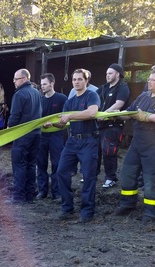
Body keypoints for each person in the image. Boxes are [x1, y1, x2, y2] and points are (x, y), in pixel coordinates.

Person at [114, 66, 155, 222]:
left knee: (151, 180)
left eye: (153, 79)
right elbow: (129, 113)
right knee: (127, 173)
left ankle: (151, 212)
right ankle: (127, 204)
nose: (149, 82)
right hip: (138, 143)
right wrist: (114, 115)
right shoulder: (143, 96)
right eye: (149, 79)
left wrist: (147, 117)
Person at [47, 69, 101, 223]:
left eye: (80, 79)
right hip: (72, 142)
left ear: (86, 81)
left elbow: (91, 113)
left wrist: (70, 115)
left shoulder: (92, 95)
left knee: (88, 177)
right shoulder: (70, 101)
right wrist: (52, 124)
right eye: (74, 80)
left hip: (89, 141)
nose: (76, 82)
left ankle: (87, 212)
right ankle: (67, 208)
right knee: (61, 172)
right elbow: (64, 124)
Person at [6, 68, 42, 204]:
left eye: (16, 79)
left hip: (22, 135)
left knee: (19, 165)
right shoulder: (36, 93)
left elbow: (15, 115)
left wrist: (8, 129)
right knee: (31, 165)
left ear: (25, 79)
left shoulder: (20, 94)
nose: (14, 82)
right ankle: (29, 196)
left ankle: (18, 197)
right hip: (36, 134)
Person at [96, 64, 130, 189]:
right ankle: (93, 175)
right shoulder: (104, 88)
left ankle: (111, 178)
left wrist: (104, 114)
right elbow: (94, 97)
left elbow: (119, 104)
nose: (107, 75)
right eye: (106, 73)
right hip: (100, 125)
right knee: (96, 151)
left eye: (110, 73)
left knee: (109, 151)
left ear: (117, 74)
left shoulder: (122, 87)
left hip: (113, 124)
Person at [36, 73, 68, 200]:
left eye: (44, 84)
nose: (42, 86)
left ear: (52, 83)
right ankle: (42, 191)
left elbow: (65, 118)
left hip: (57, 135)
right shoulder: (40, 100)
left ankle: (56, 191)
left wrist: (54, 124)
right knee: (41, 163)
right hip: (42, 136)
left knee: (57, 163)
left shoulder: (62, 99)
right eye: (41, 84)